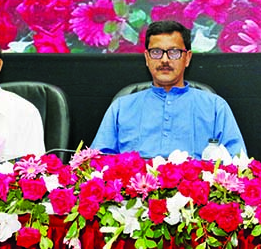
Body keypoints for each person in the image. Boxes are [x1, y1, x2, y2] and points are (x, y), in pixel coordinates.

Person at [91, 20, 246, 159]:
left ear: (187, 58)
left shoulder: (215, 107)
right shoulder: (121, 107)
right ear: (147, 58)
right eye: (156, 52)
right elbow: (97, 162)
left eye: (174, 52)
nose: (164, 60)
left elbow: (238, 164)